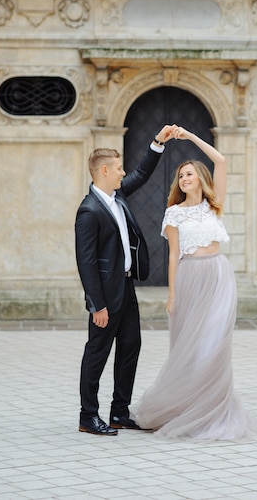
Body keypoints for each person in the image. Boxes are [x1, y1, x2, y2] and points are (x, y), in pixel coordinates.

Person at [131, 126, 257, 440]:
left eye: (189, 174)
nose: (184, 179)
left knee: (214, 343)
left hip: (218, 276)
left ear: (201, 179)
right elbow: (174, 256)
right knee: (189, 346)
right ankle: (186, 407)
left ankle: (214, 408)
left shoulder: (213, 204)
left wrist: (189, 136)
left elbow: (221, 160)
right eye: (181, 176)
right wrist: (172, 295)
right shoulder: (174, 214)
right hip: (190, 277)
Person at [75, 125, 176, 436]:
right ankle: (88, 416)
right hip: (106, 295)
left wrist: (158, 142)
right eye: (118, 168)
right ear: (104, 170)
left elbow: (141, 175)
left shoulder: (116, 197)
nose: (123, 173)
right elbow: (86, 262)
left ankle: (120, 411)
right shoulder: (89, 211)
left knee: (131, 345)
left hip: (127, 287)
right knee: (97, 352)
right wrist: (97, 305)